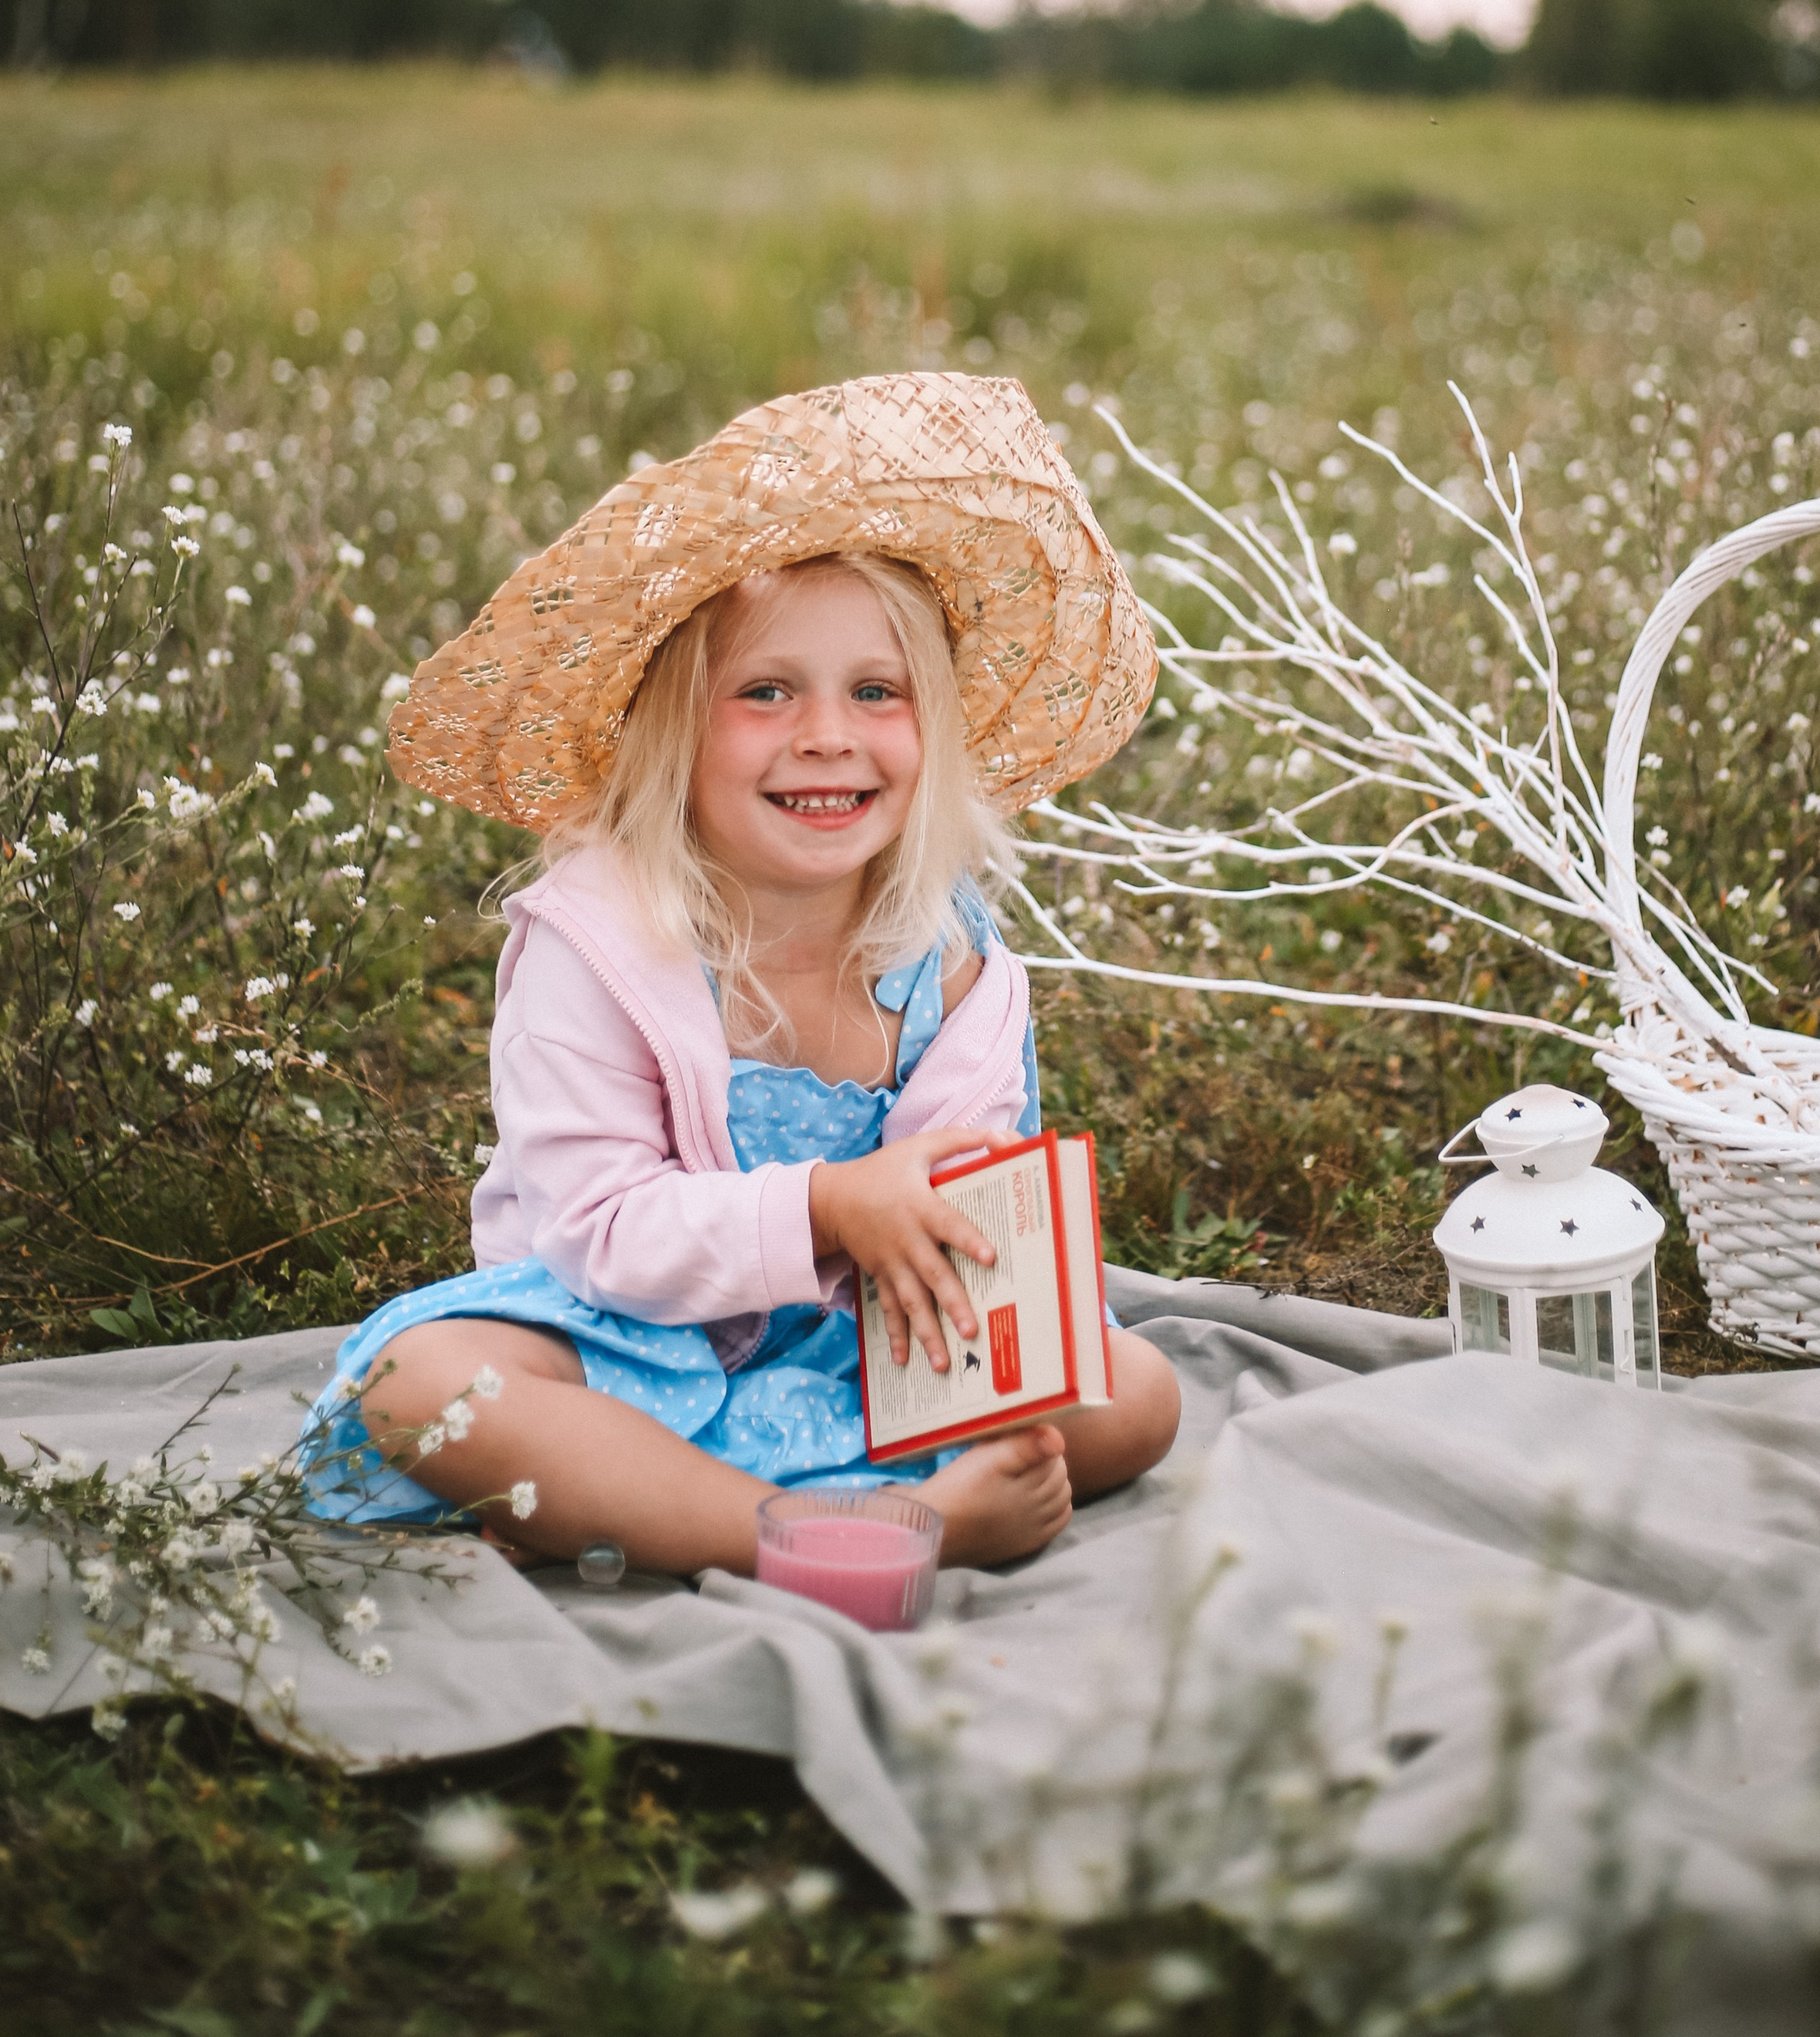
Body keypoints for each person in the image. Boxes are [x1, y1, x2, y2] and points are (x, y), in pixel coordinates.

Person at [302, 370, 1180, 1578]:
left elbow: (968, 1217)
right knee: (423, 1385)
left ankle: (674, 1505)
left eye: (877, 693)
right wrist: (828, 1205)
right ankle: (834, 1532)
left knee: (1136, 1390)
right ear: (675, 730)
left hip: (858, 1350)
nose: (827, 735)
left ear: (930, 727)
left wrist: (985, 1315)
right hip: (624, 1342)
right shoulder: (600, 942)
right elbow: (599, 1232)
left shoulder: (948, 959)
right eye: (765, 693)